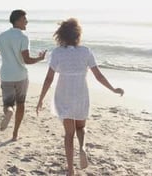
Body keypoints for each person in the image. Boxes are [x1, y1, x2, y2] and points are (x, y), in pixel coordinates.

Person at [36, 18, 124, 175]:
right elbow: (99, 75)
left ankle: (71, 170)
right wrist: (113, 89)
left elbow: (49, 78)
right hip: (81, 94)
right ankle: (82, 147)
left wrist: (41, 98)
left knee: (68, 134)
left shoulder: (57, 53)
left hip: (64, 95)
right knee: (81, 127)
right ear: (77, 35)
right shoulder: (86, 52)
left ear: (61, 35)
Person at [0, 9, 46, 141]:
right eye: (24, 19)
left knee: (8, 104)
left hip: (6, 75)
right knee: (21, 103)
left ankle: (9, 111)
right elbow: (26, 60)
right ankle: (15, 134)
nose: (26, 22)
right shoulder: (23, 37)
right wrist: (39, 59)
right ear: (18, 21)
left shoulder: (1, 36)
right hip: (20, 76)